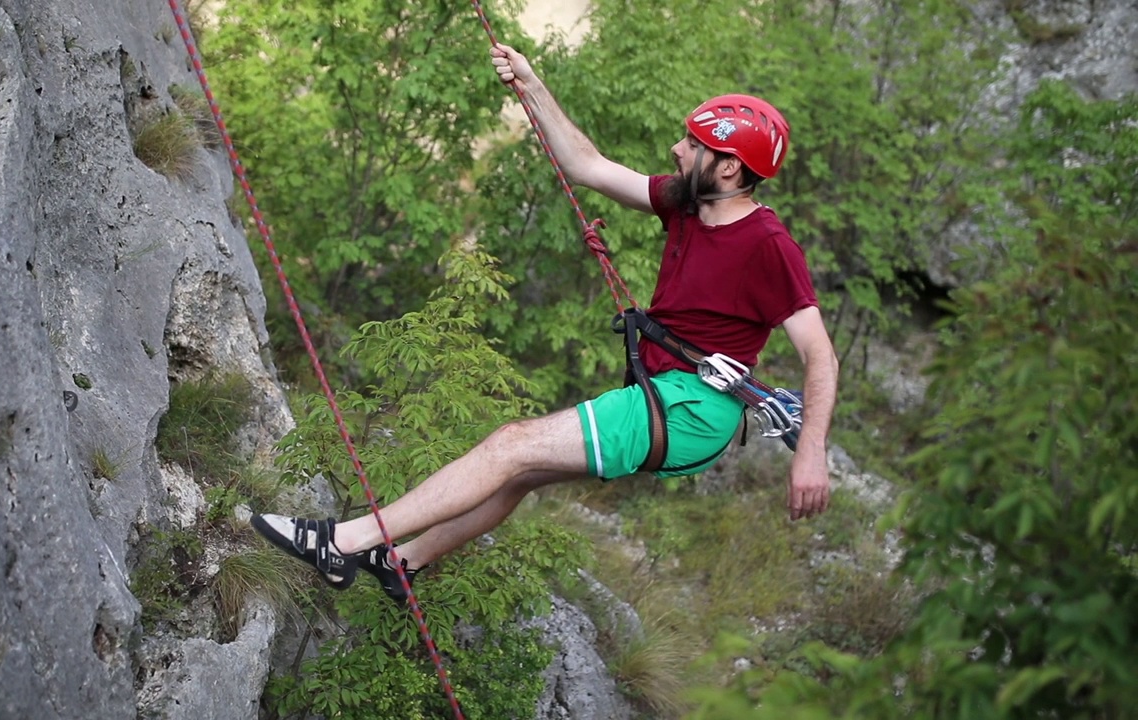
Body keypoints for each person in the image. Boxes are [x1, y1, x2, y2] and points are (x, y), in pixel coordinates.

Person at [252, 43, 837, 602]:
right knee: (519, 473)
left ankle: (342, 542)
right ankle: (401, 563)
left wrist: (810, 452)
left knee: (511, 445)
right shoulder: (686, 202)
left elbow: (820, 355)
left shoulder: (768, 245)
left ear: (729, 169)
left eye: (694, 143)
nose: (678, 150)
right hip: (671, 393)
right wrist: (531, 84)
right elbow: (587, 165)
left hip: (694, 408)